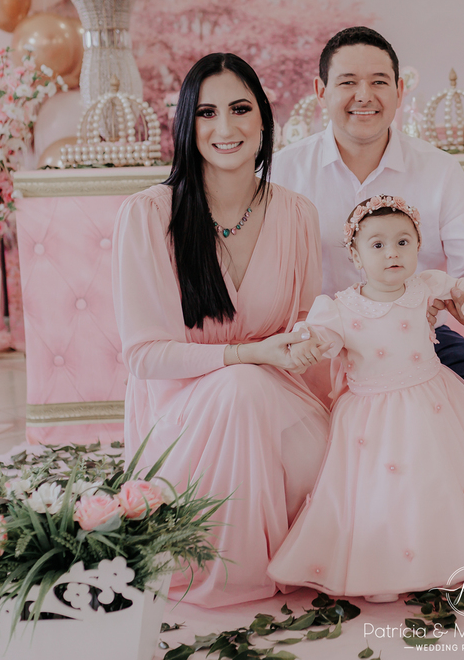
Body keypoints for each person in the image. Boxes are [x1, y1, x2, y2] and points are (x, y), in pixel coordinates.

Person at [113, 53, 332, 608]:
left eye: (240, 109)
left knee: (316, 441)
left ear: (264, 119)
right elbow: (144, 356)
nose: (226, 127)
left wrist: (312, 351)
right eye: (207, 113)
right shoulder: (148, 215)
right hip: (179, 411)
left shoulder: (298, 215)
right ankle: (236, 570)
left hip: (277, 397)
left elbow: (305, 327)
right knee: (241, 386)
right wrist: (248, 356)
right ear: (187, 125)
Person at [267, 196, 464, 601]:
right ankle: (385, 570)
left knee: (440, 479)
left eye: (403, 242)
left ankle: (451, 553)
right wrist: (309, 344)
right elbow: (320, 337)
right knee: (385, 490)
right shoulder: (341, 307)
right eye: (377, 245)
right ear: (356, 256)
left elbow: (460, 286)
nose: (392, 253)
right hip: (374, 414)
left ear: (417, 246)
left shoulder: (425, 286)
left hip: (433, 400)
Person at [272, 26, 464, 437]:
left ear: (399, 91)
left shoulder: (439, 169)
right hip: (320, 339)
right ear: (321, 92)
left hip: (415, 335)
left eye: (378, 82)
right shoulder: (282, 172)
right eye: (348, 82)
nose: (364, 96)